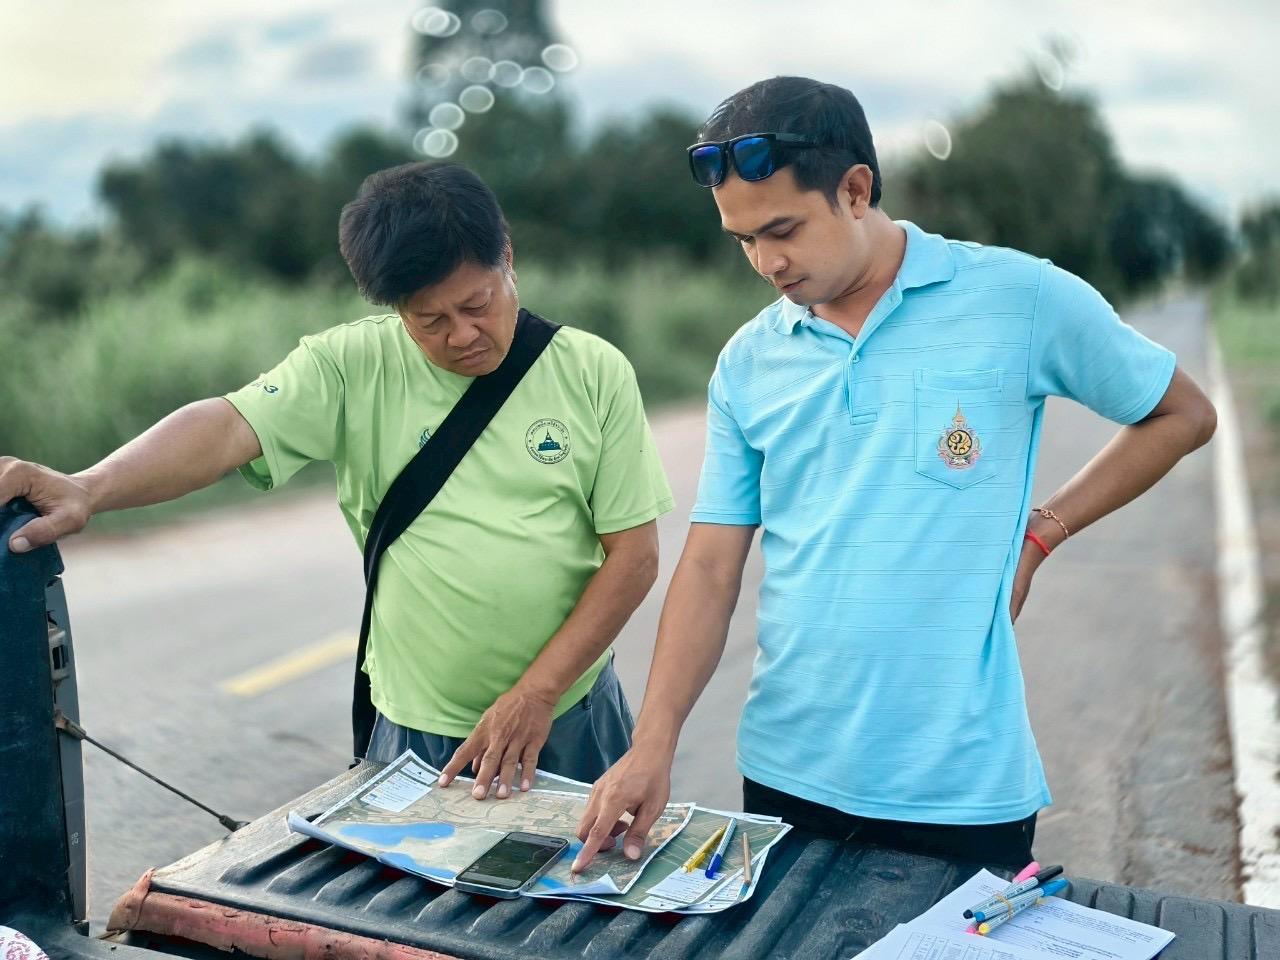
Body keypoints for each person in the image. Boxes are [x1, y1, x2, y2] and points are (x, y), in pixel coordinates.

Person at [573, 76, 1217, 872]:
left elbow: (1182, 415)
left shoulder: (1019, 298)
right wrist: (653, 743)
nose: (767, 262)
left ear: (855, 190)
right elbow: (709, 567)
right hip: (787, 776)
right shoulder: (748, 361)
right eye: (743, 240)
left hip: (962, 789)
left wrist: (1042, 533)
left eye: (782, 230)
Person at [0, 161, 674, 798]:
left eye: (478, 304)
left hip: (569, 714)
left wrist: (538, 693)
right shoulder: (350, 367)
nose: (462, 335)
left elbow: (634, 557)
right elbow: (227, 428)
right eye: (430, 321)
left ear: (508, 257)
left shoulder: (592, 371)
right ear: (397, 310)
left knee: (588, 882)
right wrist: (90, 486)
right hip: (416, 729)